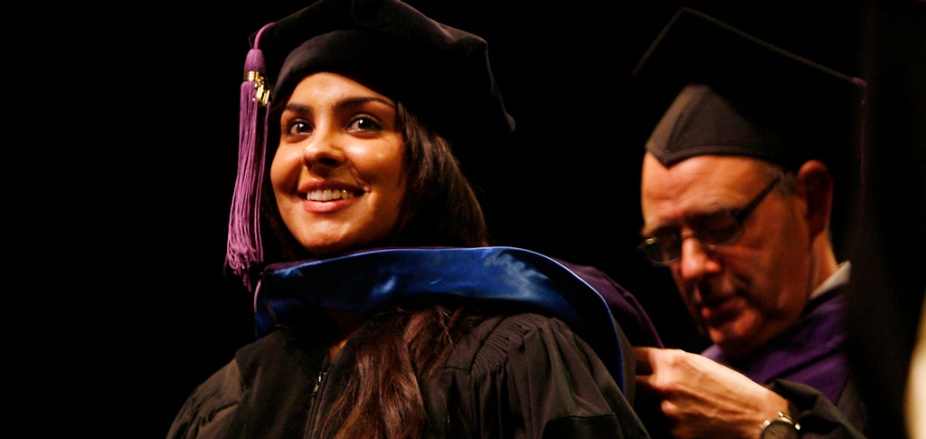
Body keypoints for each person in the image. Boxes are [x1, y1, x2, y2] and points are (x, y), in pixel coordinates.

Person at [167, 0, 660, 437]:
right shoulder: (225, 398)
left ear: (430, 161)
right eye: (296, 127)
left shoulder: (517, 357)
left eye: (363, 122)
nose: (315, 149)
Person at [628, 8, 869, 439]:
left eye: (721, 226)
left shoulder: (897, 360)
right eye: (666, 242)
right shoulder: (684, 388)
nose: (694, 267)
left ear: (812, 200)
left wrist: (767, 426)